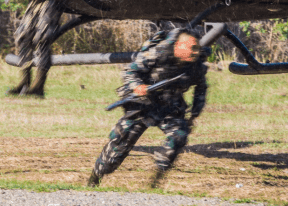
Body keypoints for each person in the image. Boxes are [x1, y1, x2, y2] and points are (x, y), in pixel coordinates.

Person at [88, 28, 208, 188]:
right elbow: (130, 72)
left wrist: (194, 115)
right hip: (143, 105)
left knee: (179, 136)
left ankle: (155, 182)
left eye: (197, 48)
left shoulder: (196, 65)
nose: (195, 52)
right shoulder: (159, 52)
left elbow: (201, 88)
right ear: (179, 46)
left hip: (170, 107)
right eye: (192, 48)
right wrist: (137, 86)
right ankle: (95, 177)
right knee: (119, 146)